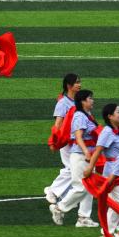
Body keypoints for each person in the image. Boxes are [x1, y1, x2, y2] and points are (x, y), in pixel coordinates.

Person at [50, 88, 100, 227]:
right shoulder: (79, 116)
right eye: (90, 98)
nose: (93, 101)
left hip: (86, 156)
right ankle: (59, 208)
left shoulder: (87, 115)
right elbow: (78, 137)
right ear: (83, 101)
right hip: (80, 156)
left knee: (89, 187)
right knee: (80, 187)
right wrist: (86, 152)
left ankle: (83, 217)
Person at [83, 103, 119, 237]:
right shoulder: (107, 132)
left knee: (115, 205)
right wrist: (90, 168)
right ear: (110, 116)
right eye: (118, 112)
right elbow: (98, 150)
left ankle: (106, 236)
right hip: (113, 173)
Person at [44, 74, 81, 206]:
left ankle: (65, 195)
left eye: (79, 82)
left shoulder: (78, 101)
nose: (79, 85)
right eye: (77, 82)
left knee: (75, 168)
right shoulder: (63, 103)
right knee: (72, 168)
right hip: (66, 141)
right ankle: (53, 191)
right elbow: (58, 124)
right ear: (69, 85)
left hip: (77, 140)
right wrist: (55, 141)